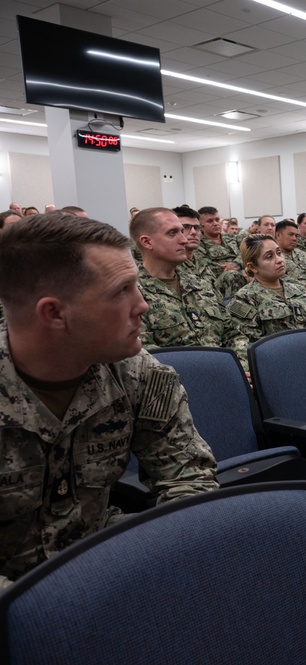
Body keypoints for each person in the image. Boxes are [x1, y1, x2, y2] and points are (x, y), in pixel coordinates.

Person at [0, 212, 218, 589]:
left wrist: (159, 563)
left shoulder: (138, 373)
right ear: (54, 313)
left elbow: (190, 479)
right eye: (121, 290)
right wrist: (30, 613)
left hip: (106, 563)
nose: (143, 305)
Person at [130, 207, 248, 368]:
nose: (184, 240)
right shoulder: (131, 293)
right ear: (147, 242)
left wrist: (241, 367)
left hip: (228, 375)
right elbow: (144, 353)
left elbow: (234, 334)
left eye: (181, 231)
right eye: (173, 233)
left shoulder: (200, 284)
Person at [226, 235, 306, 342]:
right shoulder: (243, 300)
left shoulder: (300, 290)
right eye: (269, 256)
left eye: (279, 253)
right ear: (252, 267)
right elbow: (251, 346)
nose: (279, 260)